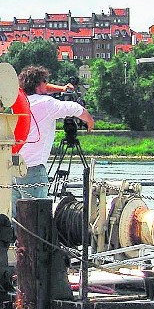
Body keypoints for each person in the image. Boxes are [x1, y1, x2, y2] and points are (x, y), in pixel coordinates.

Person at [12, 65, 95, 217]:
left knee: (16, 218)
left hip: (13, 168)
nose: (47, 84)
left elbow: (41, 88)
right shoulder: (46, 104)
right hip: (33, 168)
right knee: (37, 219)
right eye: (45, 81)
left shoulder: (18, 103)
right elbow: (74, 108)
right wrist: (89, 120)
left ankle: (18, 241)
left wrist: (62, 89)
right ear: (38, 85)